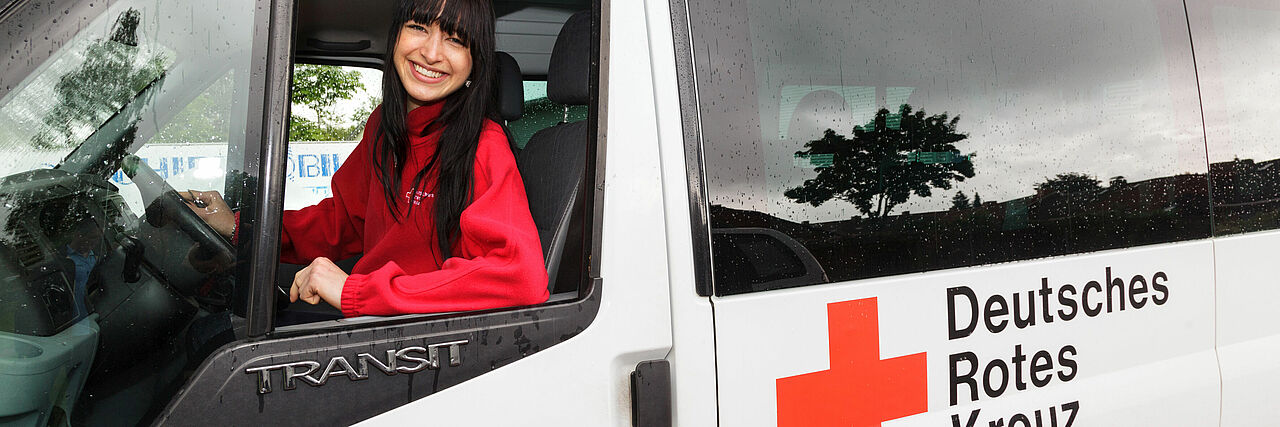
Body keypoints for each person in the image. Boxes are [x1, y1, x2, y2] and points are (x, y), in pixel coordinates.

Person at [184, 0, 548, 317]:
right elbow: (342, 222)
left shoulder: (484, 145)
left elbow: (520, 278)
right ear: (397, 35)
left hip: (420, 343)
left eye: (455, 39)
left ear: (474, 61)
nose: (432, 53)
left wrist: (355, 292)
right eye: (419, 27)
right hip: (369, 324)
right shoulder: (384, 127)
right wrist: (241, 228)